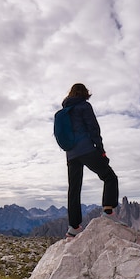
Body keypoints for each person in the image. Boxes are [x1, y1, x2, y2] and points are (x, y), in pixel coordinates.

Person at [60, 83, 120, 238]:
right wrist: (101, 150)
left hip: (71, 154)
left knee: (74, 189)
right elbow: (93, 129)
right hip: (86, 149)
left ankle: (74, 228)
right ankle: (108, 211)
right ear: (85, 93)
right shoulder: (84, 106)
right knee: (109, 177)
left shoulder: (65, 110)